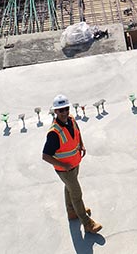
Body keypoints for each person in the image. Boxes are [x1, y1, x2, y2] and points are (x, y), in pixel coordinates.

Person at [41, 94, 103, 234]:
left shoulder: (71, 120)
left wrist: (82, 144)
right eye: (60, 110)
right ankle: (87, 223)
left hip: (75, 163)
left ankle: (72, 212)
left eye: (66, 109)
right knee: (76, 193)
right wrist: (64, 166)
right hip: (65, 169)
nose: (64, 112)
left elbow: (77, 133)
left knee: (69, 188)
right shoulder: (54, 133)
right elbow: (45, 156)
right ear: (55, 112)